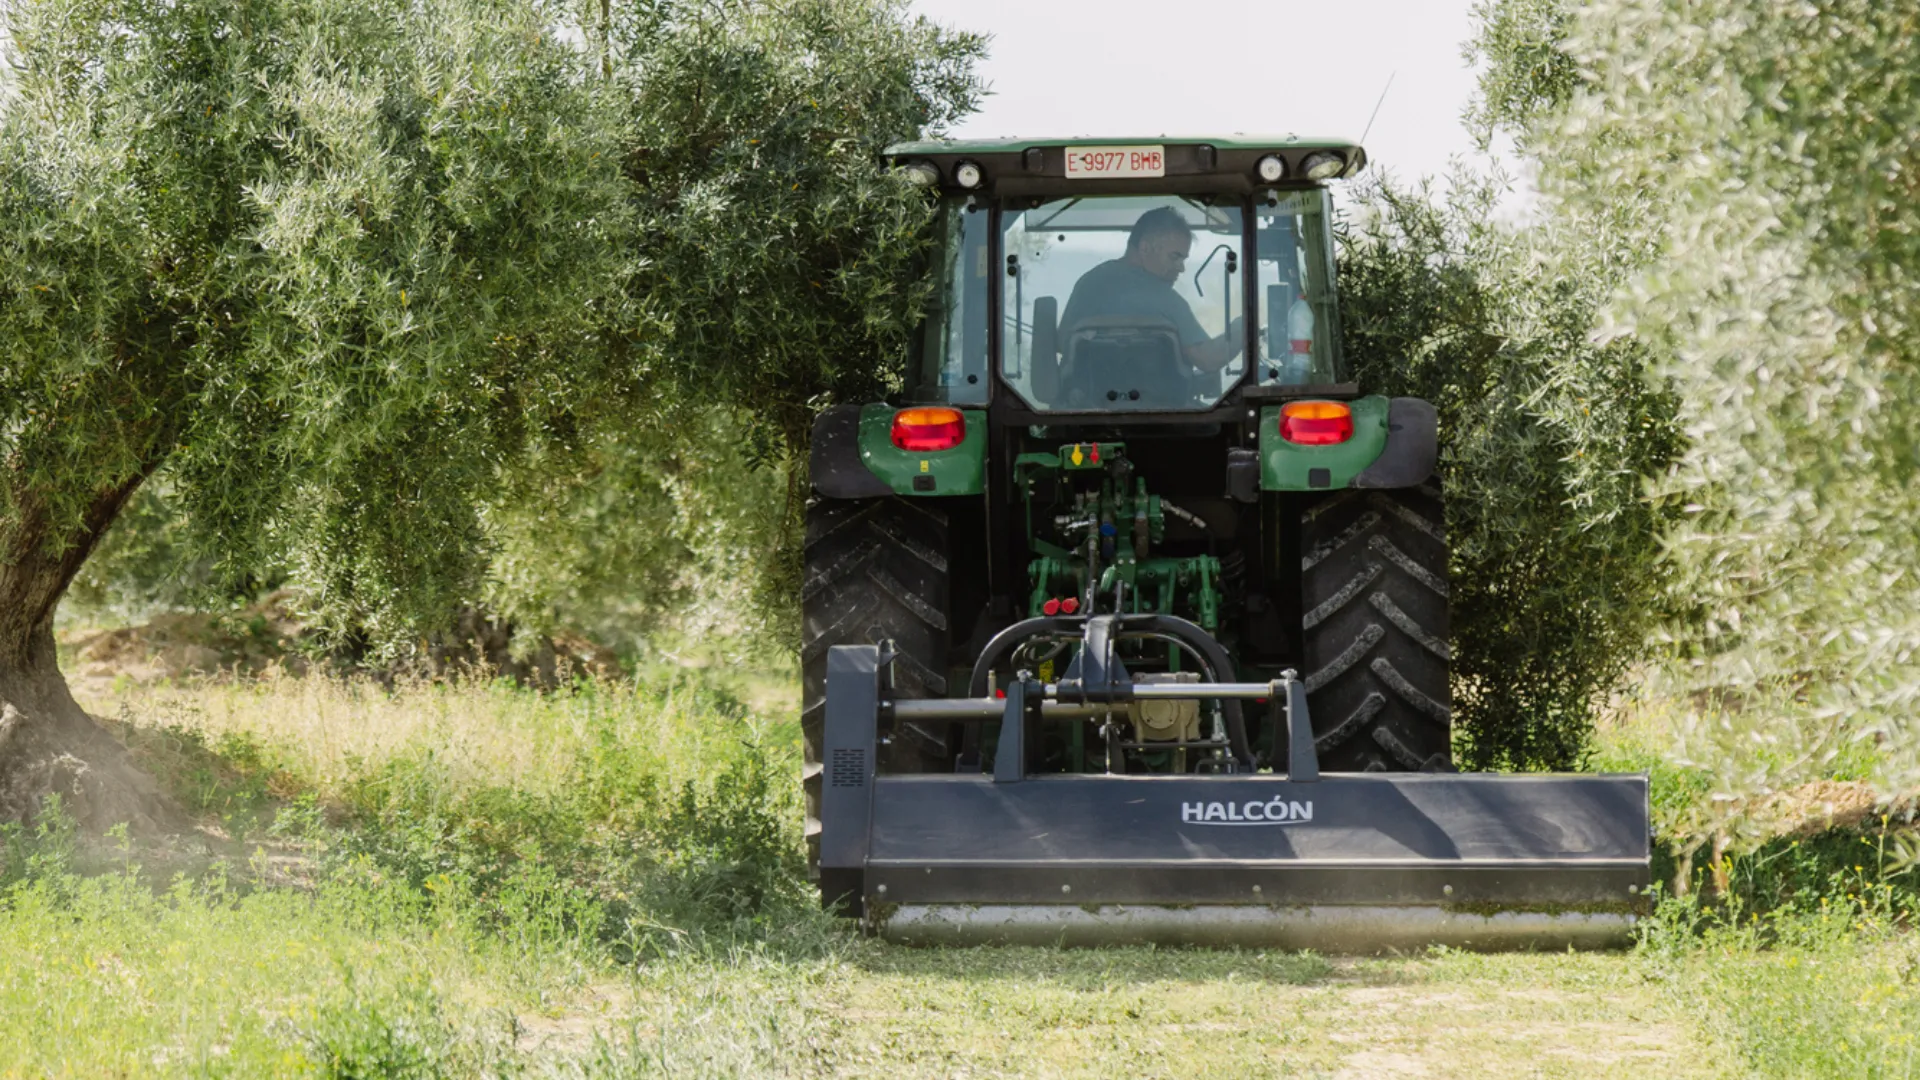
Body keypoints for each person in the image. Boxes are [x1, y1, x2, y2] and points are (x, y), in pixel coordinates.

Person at [1059, 206, 1245, 374]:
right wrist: (1242, 327)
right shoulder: (1169, 301)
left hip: (1084, 404)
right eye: (1175, 257)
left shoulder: (1087, 283)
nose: (1181, 268)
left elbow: (1062, 344)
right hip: (1163, 408)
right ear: (1145, 248)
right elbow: (1208, 359)